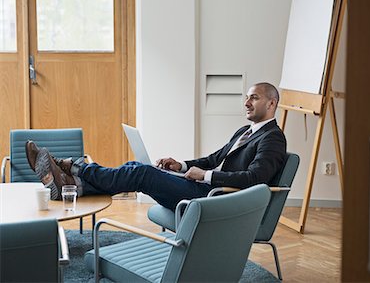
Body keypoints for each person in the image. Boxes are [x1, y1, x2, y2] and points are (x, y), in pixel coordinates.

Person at [25, 82, 287, 210]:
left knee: (142, 173)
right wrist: (182, 165)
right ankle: (74, 185)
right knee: (136, 167)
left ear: (272, 104)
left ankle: (75, 169)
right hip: (208, 189)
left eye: (254, 97)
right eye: (246, 97)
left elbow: (256, 179)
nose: (246, 102)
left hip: (218, 200)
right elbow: (213, 158)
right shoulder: (245, 131)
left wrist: (206, 176)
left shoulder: (272, 138)